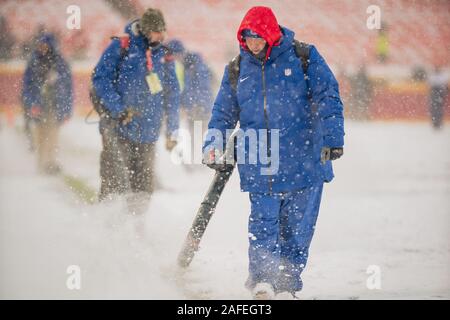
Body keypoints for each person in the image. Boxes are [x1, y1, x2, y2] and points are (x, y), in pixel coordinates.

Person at [202, 6, 345, 299]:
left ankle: (288, 284)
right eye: (247, 37)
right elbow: (222, 113)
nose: (252, 43)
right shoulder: (237, 68)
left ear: (270, 33)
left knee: (297, 227)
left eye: (257, 36)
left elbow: (328, 95)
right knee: (263, 222)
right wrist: (213, 145)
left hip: (303, 157)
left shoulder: (304, 57)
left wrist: (333, 138)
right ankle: (263, 281)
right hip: (260, 159)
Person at [92, 8, 180, 215]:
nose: (160, 36)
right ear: (144, 30)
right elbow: (100, 79)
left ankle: (136, 229)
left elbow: (173, 94)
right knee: (114, 183)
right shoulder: (121, 46)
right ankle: (107, 230)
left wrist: (172, 130)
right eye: (156, 32)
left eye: (162, 32)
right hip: (117, 127)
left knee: (143, 188)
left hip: (148, 133)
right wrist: (118, 109)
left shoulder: (165, 55)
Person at [21, 33, 73, 174]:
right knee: (40, 136)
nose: (43, 48)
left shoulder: (60, 62)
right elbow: (27, 86)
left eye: (45, 46)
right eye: (41, 46)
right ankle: (42, 163)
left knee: (53, 136)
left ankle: (50, 163)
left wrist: (67, 109)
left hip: (55, 105)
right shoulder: (34, 62)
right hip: (39, 106)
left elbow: (68, 87)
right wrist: (32, 104)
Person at [167, 39, 213, 164]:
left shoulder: (195, 65)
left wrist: (196, 104)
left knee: (199, 135)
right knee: (194, 135)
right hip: (193, 106)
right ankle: (196, 161)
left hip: (199, 107)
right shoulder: (185, 66)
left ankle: (202, 162)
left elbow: (202, 88)